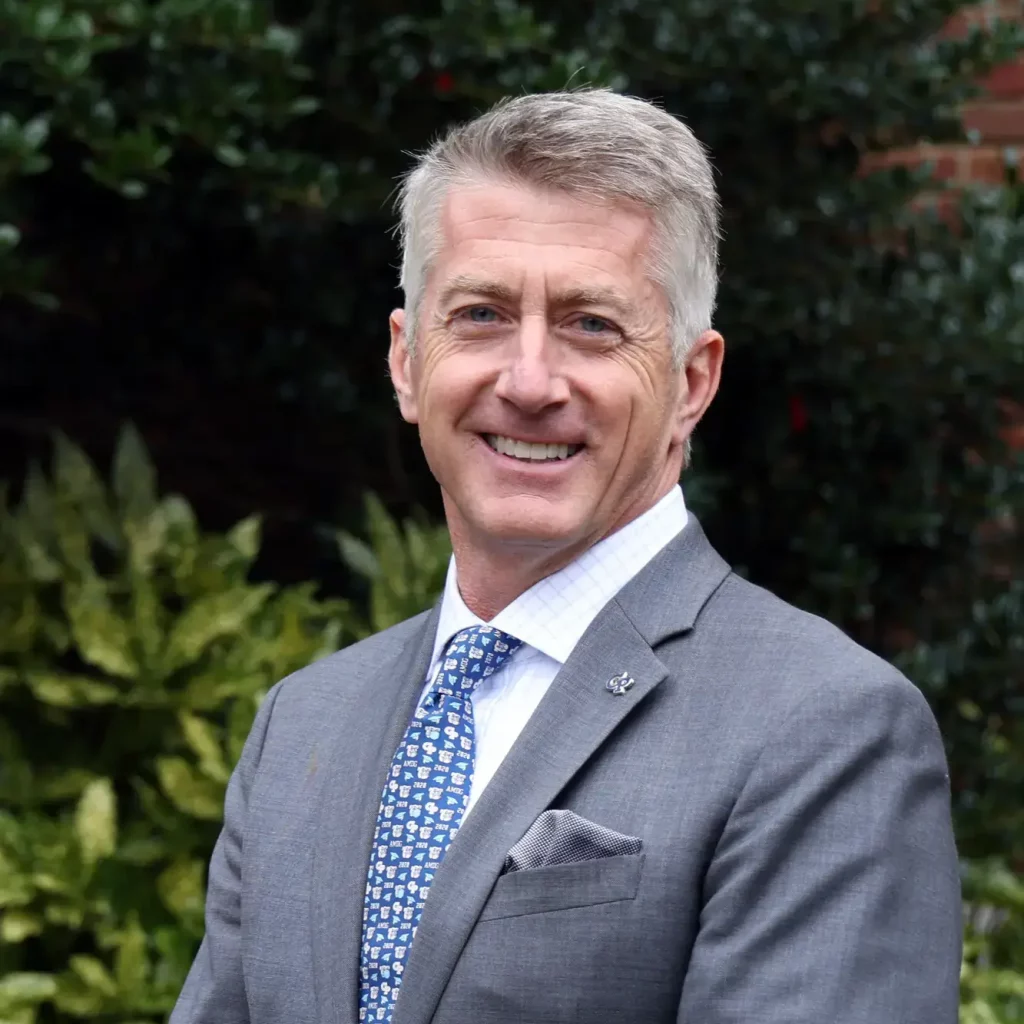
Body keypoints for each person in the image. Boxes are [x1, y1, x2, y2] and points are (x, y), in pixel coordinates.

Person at [170, 89, 962, 1024]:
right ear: (405, 361)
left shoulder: (825, 728)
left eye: (592, 324)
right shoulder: (304, 723)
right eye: (479, 315)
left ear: (691, 382)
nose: (530, 381)